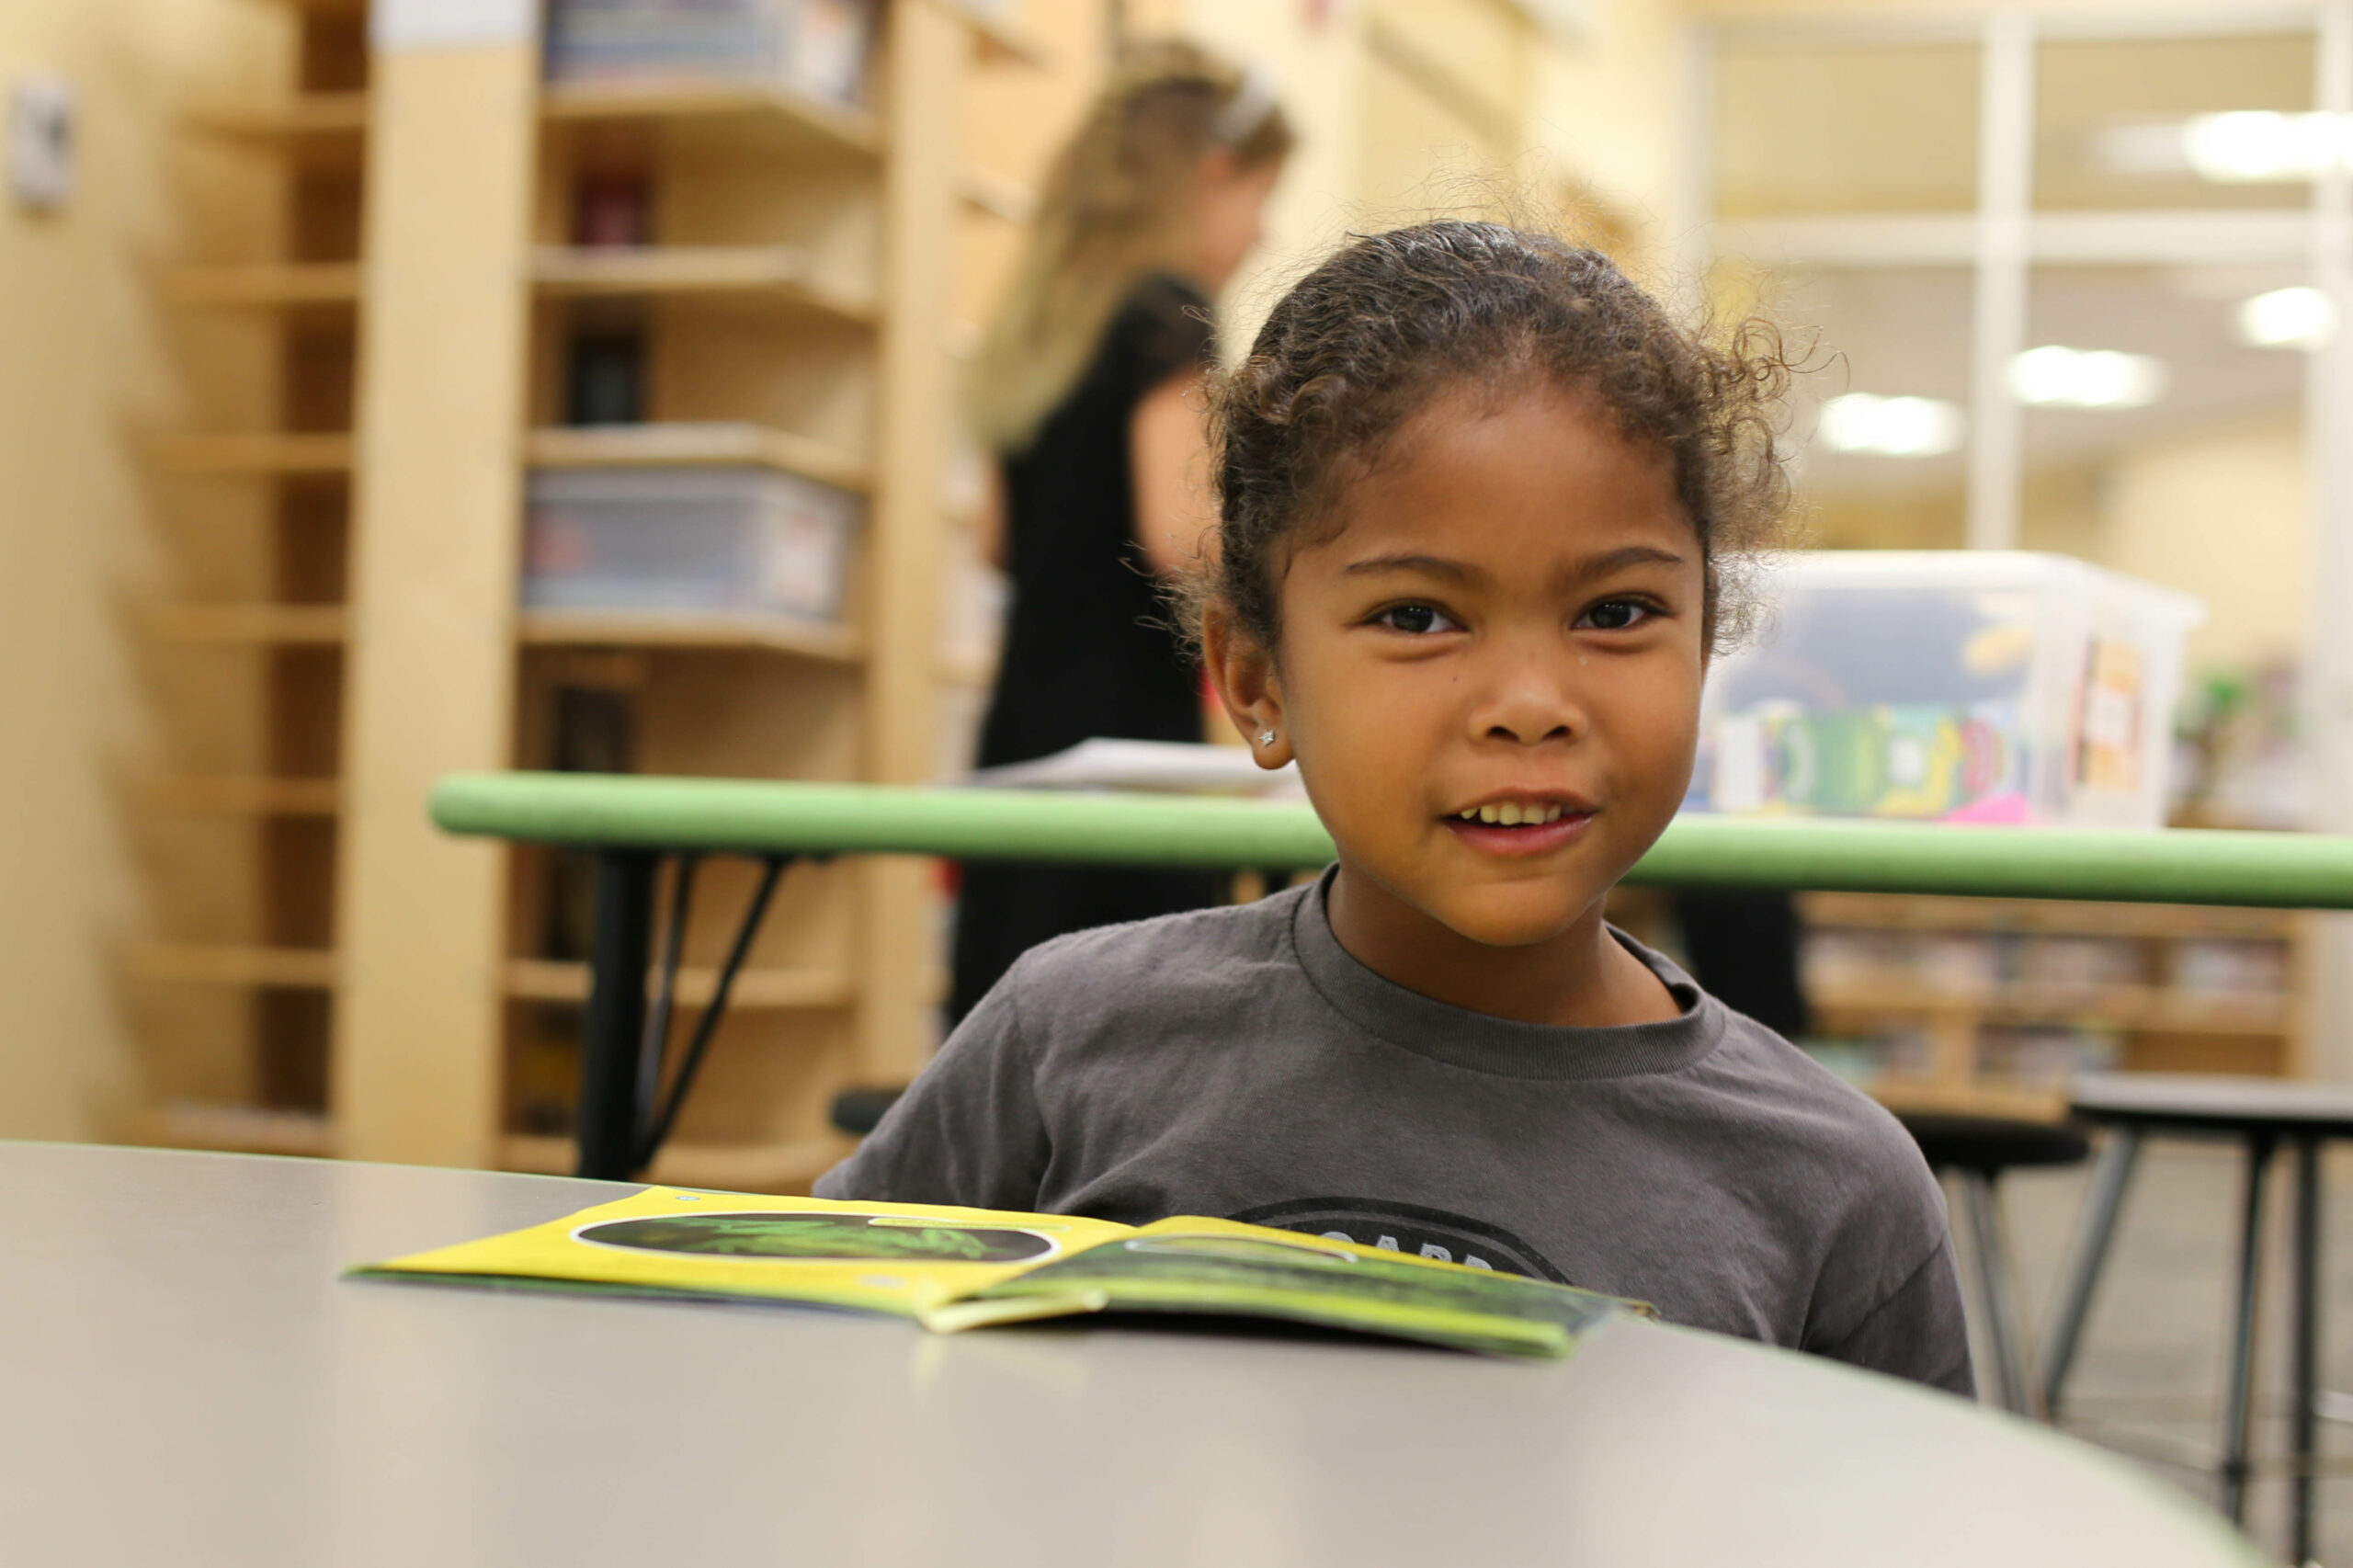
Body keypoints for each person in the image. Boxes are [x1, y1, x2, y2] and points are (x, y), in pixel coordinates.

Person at [822, 222, 1972, 1392]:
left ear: (1708, 638)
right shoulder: (1066, 1041)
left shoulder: (1836, 1189)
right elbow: (820, 1378)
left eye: (1616, 612)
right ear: (1258, 680)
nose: (1530, 705)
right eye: (1419, 616)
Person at [949, 42, 1293, 1025]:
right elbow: (1182, 537)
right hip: (1123, 740)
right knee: (1125, 1026)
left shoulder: (1043, 323)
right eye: (1260, 199)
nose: (1261, 232)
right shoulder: (1167, 316)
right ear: (1211, 175)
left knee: (1009, 1021)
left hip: (1021, 722)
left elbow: (992, 543)